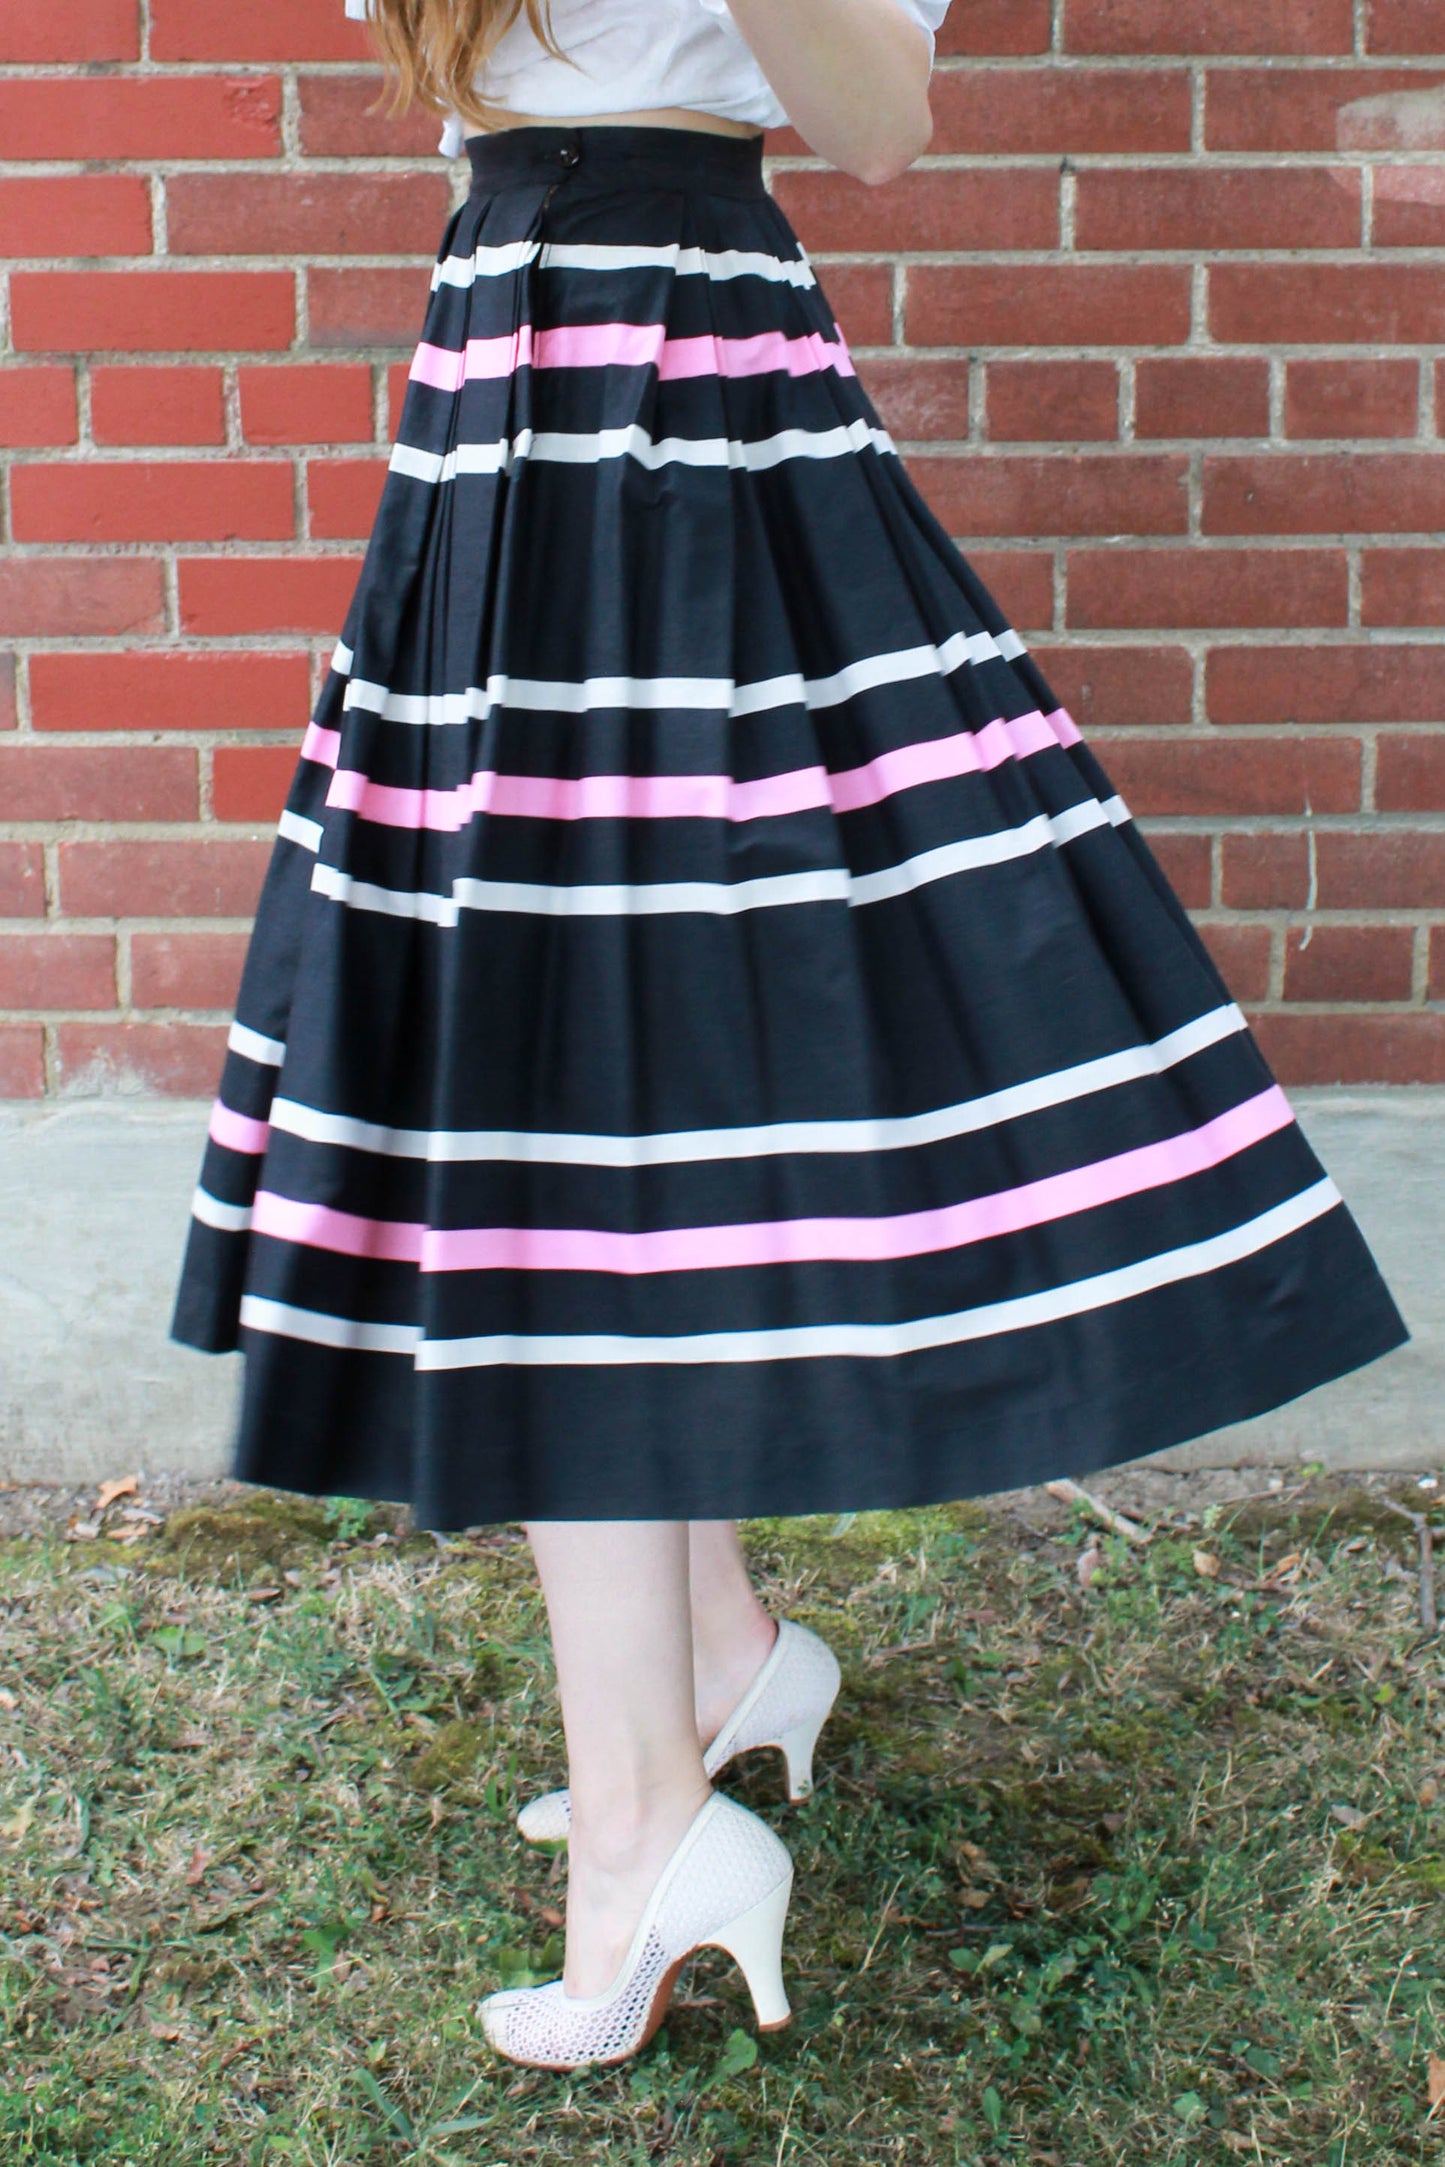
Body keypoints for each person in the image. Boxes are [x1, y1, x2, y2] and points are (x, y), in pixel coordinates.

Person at [168, 0, 1410, 2074]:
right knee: (592, 1077)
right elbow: (476, 91)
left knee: (567, 1107)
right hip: (523, 369)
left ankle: (649, 1821)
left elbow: (881, 119)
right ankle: (716, 1663)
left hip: (669, 389)